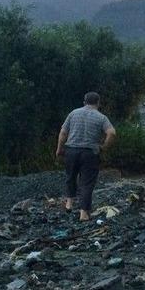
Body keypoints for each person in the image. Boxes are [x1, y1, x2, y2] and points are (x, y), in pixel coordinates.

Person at [56, 92, 116, 221]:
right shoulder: (101, 117)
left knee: (70, 176)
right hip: (89, 153)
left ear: (84, 102)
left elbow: (63, 132)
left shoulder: (73, 113)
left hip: (71, 150)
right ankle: (83, 213)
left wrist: (59, 149)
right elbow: (112, 133)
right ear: (98, 103)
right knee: (87, 183)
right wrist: (104, 147)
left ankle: (69, 204)